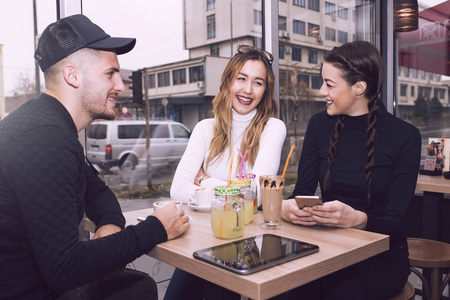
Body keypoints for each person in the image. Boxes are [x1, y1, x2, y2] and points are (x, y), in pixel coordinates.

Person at [0, 14, 190, 300]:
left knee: (140, 285)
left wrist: (109, 226)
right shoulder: (45, 139)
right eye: (110, 73)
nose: (121, 86)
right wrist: (157, 228)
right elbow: (64, 268)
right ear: (73, 75)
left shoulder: (51, 126)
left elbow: (99, 194)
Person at [281, 41, 421, 299]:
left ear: (359, 87)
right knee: (286, 288)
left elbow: (398, 223)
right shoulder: (318, 125)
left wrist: (358, 219)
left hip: (382, 256)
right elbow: (301, 193)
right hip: (326, 249)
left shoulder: (406, 136)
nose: (321, 91)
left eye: (329, 84)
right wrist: (288, 208)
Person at [166, 45, 286, 299]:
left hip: (244, 243)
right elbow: (177, 188)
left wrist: (205, 181)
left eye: (258, 82)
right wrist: (236, 191)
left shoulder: (273, 128)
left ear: (265, 91)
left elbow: (257, 196)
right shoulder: (204, 128)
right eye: (241, 79)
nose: (248, 90)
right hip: (201, 239)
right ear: (228, 81)